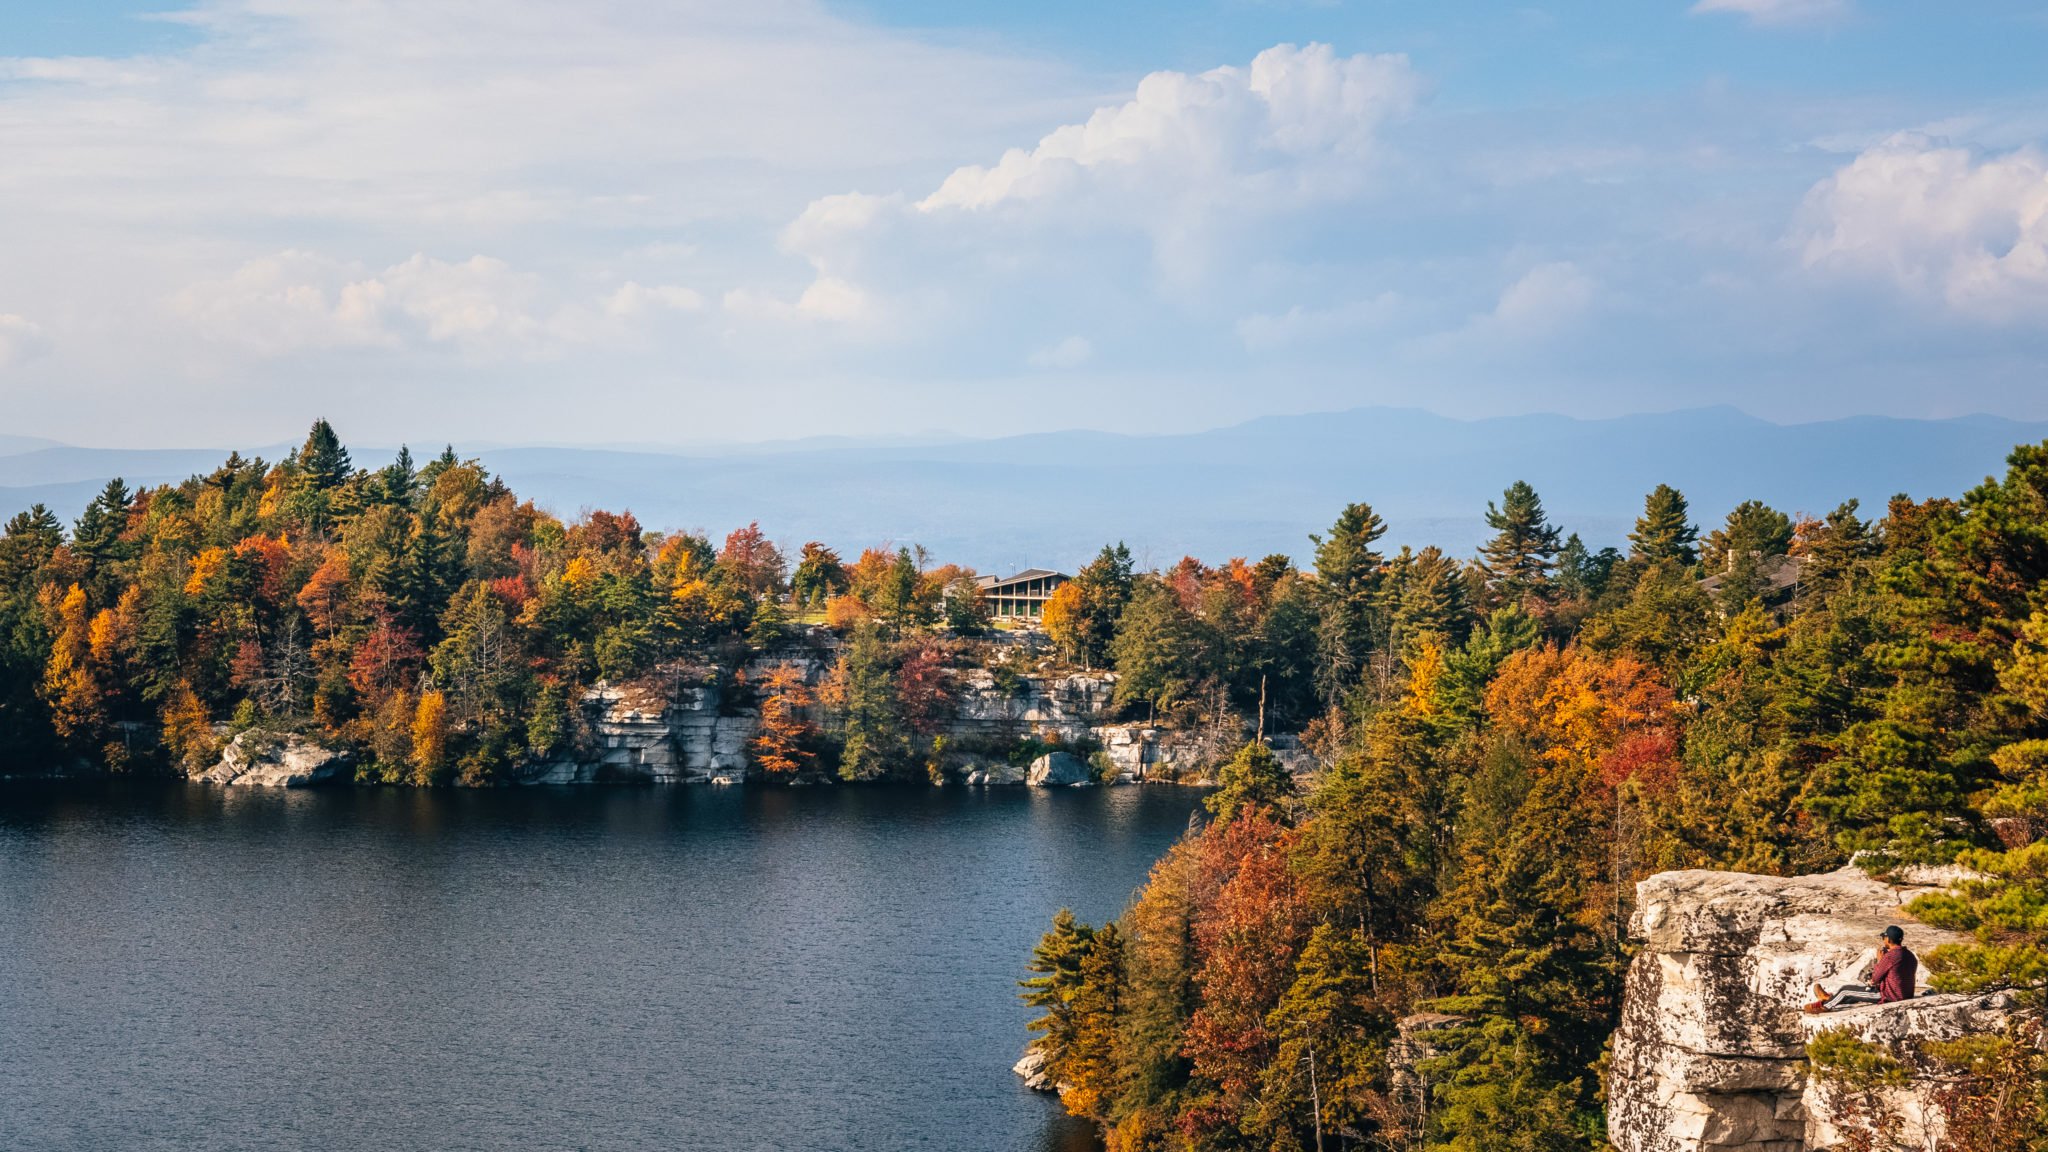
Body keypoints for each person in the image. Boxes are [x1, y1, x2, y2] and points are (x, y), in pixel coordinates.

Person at [1805, 926, 1918, 1014]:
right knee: (1853, 995)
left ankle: (1825, 1006)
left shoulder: (1890, 956)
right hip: (1905, 994)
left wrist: (1880, 960)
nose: (1883, 940)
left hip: (1890, 996)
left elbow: (1875, 978)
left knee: (1846, 990)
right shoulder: (1910, 955)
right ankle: (1829, 998)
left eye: (1884, 937)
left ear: (1888, 939)